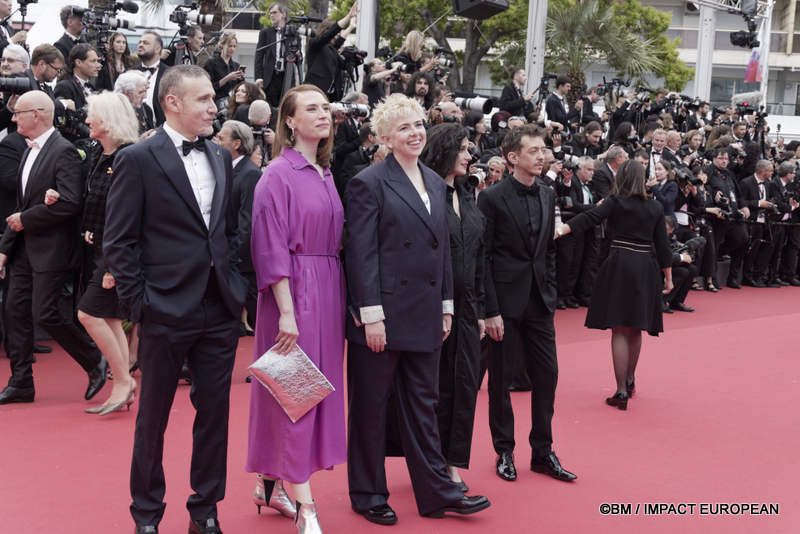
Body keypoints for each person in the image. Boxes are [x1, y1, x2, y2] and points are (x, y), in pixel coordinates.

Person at [103, 65, 248, 534]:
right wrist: (139, 304)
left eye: (213, 99)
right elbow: (119, 242)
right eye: (204, 99)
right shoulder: (138, 158)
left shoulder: (222, 158)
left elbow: (225, 233)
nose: (214, 106)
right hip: (164, 308)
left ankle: (205, 510)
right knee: (154, 419)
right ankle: (146, 514)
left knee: (215, 417)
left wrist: (236, 289)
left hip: (219, 309)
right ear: (173, 102)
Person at [345, 94, 490, 525]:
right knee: (371, 409)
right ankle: (368, 493)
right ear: (385, 137)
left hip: (426, 311)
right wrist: (370, 314)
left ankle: (437, 492)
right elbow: (361, 253)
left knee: (425, 404)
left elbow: (442, 248)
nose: (415, 132)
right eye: (404, 127)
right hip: (383, 316)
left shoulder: (433, 179)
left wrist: (446, 305)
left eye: (419, 124)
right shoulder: (367, 182)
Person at [246, 84, 346, 533]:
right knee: (296, 394)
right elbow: (270, 248)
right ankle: (306, 505)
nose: (323, 114)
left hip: (327, 290)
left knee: (311, 389)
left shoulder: (324, 173)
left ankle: (271, 484)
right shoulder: (277, 175)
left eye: (326, 107)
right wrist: (286, 310)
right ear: (289, 121)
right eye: (312, 108)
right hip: (292, 295)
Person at [477, 124, 576, 483]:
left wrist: (549, 289)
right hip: (503, 303)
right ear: (512, 157)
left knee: (547, 376)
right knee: (501, 380)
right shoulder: (491, 198)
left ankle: (542, 450)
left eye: (543, 150)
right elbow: (482, 257)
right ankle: (504, 450)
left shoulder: (548, 194)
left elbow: (548, 250)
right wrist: (488, 310)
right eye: (534, 151)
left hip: (539, 301)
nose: (543, 156)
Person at [0, 91, 107, 405]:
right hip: (22, 249)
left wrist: (27, 218)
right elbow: (19, 206)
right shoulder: (25, 151)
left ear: (37, 114)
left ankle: (94, 360)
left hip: (53, 249)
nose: (14, 118)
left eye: (19, 113)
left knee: (44, 313)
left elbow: (71, 203)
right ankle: (21, 382)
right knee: (14, 312)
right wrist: (5, 249)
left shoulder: (64, 152)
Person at [555, 160, 673, 411]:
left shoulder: (615, 202)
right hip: (644, 266)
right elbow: (663, 247)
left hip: (619, 263)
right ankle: (630, 380)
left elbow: (590, 217)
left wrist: (564, 228)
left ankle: (620, 390)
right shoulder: (655, 207)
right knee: (636, 327)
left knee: (619, 329)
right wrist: (669, 277)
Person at [63, 92, 139, 415]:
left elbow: (127, 216)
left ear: (107, 121)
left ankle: (122, 380)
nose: (87, 120)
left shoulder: (127, 158)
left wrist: (112, 266)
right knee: (108, 316)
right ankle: (126, 383)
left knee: (87, 313)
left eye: (92, 115)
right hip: (96, 250)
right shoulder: (98, 153)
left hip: (116, 254)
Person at [420, 123, 485, 492]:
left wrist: (482, 310)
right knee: (433, 388)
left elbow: (480, 254)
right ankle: (432, 462)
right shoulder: (426, 191)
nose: (469, 155)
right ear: (444, 149)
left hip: (467, 305)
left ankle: (451, 462)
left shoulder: (468, 191)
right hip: (431, 304)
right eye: (462, 148)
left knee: (463, 386)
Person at [213, 120, 260, 336]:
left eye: (221, 138)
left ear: (236, 143)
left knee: (256, 317)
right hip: (227, 255)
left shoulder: (250, 173)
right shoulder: (225, 168)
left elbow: (247, 221)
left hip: (241, 261)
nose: (216, 141)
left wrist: (232, 256)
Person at [304, 2, 358, 102]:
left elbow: (339, 41)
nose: (337, 35)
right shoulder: (315, 43)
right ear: (326, 30)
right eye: (335, 33)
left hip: (331, 95)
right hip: (315, 92)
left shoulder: (331, 48)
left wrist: (351, 26)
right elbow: (329, 35)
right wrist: (348, 17)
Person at [254, 2, 289, 107]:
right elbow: (259, 56)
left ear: (283, 14)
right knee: (270, 109)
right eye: (270, 13)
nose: (271, 15)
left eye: (274, 12)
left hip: (286, 77)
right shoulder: (265, 33)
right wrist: (259, 78)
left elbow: (297, 55)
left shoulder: (292, 33)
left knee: (285, 108)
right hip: (270, 78)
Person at [54, 44, 102, 111]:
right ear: (78, 62)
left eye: (98, 61)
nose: (99, 65)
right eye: (93, 61)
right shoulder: (64, 87)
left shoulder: (92, 86)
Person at [203, 32, 244, 107]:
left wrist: (241, 79)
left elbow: (241, 87)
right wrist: (228, 77)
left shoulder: (236, 66)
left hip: (233, 102)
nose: (232, 49)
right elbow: (208, 87)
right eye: (229, 46)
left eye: (234, 46)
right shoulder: (211, 63)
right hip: (216, 102)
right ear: (221, 45)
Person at [137, 31, 167, 126]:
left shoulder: (170, 74)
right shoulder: (129, 73)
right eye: (140, 42)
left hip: (160, 130)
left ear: (157, 49)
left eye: (145, 43)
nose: (141, 45)